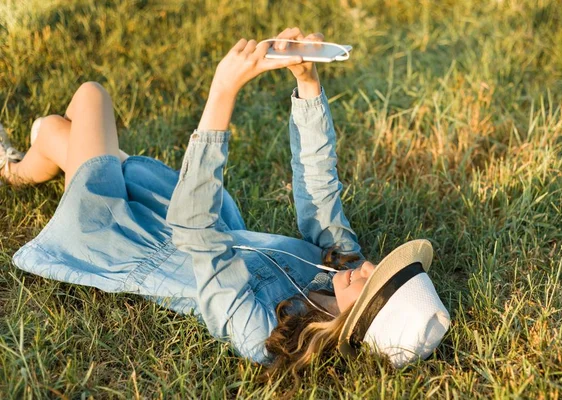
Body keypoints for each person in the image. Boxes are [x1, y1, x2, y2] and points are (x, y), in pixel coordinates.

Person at [2, 27, 449, 379]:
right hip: (169, 215)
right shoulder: (339, 268)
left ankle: (14, 169)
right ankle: (25, 161)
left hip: (124, 239)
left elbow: (198, 234)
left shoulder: (262, 337)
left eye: (371, 282)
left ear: (357, 328)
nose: (366, 265)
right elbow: (319, 186)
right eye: (379, 267)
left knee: (89, 98)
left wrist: (223, 91)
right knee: (60, 131)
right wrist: (307, 80)